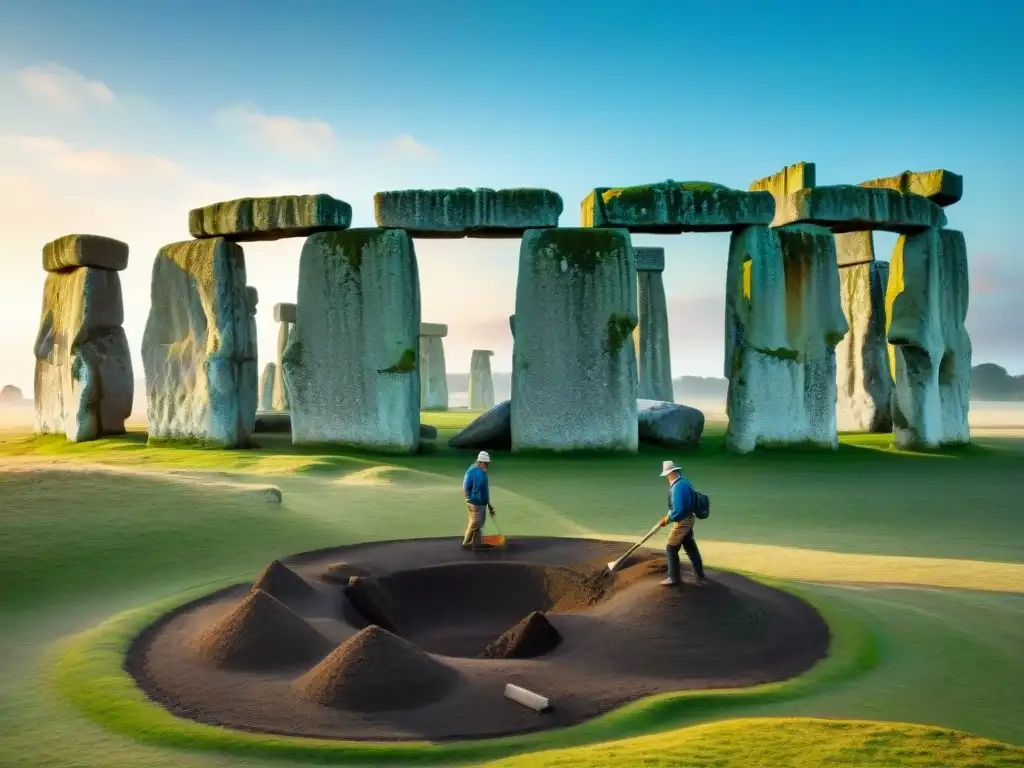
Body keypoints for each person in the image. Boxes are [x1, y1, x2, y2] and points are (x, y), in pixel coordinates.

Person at [657, 460, 707, 586]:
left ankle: (673, 578)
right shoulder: (685, 482)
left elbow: (678, 510)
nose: (667, 477)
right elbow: (677, 507)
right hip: (689, 518)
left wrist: (667, 520)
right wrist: (668, 515)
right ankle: (700, 577)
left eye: (668, 474)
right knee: (690, 548)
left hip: (683, 521)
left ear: (672, 473)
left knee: (671, 547)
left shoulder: (678, 487)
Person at [462, 451, 496, 550]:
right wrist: (468, 500)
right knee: (474, 524)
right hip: (475, 503)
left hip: (481, 503)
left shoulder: (482, 472)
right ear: (480, 462)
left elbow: (485, 491)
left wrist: (489, 505)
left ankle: (476, 543)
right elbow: (465, 487)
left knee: (479, 523)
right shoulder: (472, 471)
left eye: (487, 463)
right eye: (486, 463)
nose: (487, 465)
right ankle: (466, 543)